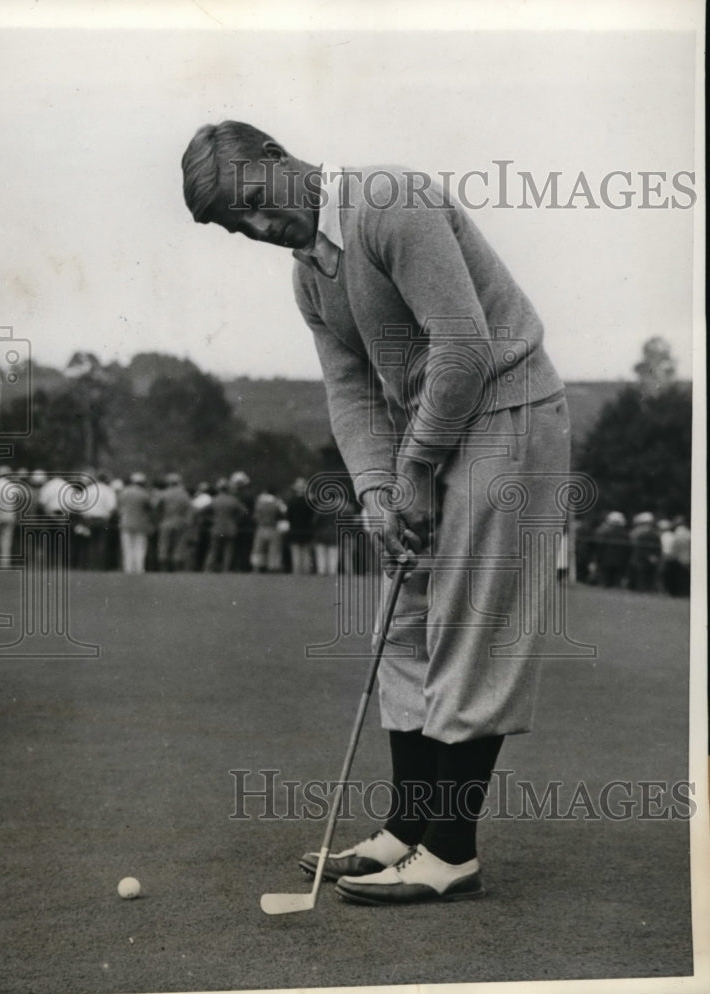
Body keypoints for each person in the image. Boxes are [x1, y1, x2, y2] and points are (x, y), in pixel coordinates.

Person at [182, 121, 570, 906]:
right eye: (237, 225)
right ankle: (406, 829)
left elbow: (461, 344)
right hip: (427, 433)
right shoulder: (307, 274)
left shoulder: (391, 201)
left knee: (466, 623)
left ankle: (451, 851)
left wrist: (416, 470)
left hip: (507, 412)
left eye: (254, 202)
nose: (259, 228)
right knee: (399, 623)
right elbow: (352, 391)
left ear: (277, 159)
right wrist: (374, 491)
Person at [205, 478, 247, 573]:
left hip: (217, 527)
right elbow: (244, 511)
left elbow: (202, 511)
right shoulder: (233, 500)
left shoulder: (214, 500)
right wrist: (236, 520)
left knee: (214, 549)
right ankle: (226, 569)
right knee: (228, 550)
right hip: (230, 527)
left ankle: (209, 568)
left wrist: (210, 519)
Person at [117, 473, 154, 574]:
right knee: (139, 547)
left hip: (125, 522)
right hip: (140, 524)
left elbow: (119, 506)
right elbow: (150, 508)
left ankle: (128, 569)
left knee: (127, 547)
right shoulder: (144, 493)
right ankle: (139, 568)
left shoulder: (124, 492)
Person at [157, 473, 194, 572]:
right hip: (180, 522)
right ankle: (176, 565)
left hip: (166, 521)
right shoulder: (184, 494)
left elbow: (156, 506)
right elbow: (190, 509)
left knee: (164, 544)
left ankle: (163, 567)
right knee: (178, 545)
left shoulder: (164, 493)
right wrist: (188, 522)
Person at [250, 485, 287, 573]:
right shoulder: (278, 502)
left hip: (261, 527)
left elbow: (255, 516)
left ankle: (257, 567)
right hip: (273, 527)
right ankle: (273, 567)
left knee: (258, 549)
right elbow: (284, 513)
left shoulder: (259, 502)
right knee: (274, 549)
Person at [285, 478, 314, 574]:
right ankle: (306, 572)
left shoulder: (291, 501)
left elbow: (288, 516)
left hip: (294, 530)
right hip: (306, 531)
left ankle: (297, 573)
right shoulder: (309, 502)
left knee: (296, 554)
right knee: (306, 553)